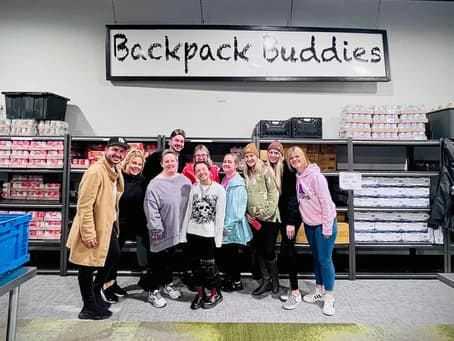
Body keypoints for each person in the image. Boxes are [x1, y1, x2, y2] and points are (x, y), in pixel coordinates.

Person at [66, 137, 128, 320]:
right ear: (106, 150)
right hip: (93, 227)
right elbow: (84, 206)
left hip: (108, 227)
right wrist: (88, 233)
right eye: (115, 150)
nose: (118, 154)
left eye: (121, 151)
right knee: (86, 266)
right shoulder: (95, 172)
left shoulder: (115, 170)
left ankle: (95, 292)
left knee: (113, 255)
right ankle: (88, 306)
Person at [287, 146, 337, 316]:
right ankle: (319, 290)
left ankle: (329, 297)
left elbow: (326, 203)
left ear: (305, 157)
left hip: (324, 224)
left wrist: (327, 228)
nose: (294, 159)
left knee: (325, 260)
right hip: (310, 225)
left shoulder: (317, 177)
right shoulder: (298, 176)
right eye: (291, 158)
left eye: (297, 156)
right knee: (316, 258)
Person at [143, 149, 191, 308]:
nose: (171, 163)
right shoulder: (154, 184)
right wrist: (156, 228)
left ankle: (166, 284)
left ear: (178, 163)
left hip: (177, 230)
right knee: (157, 261)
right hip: (161, 231)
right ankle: (152, 291)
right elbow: (151, 208)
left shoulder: (184, 180)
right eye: (167, 161)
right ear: (162, 163)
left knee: (169, 261)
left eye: (173, 161)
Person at [101, 149, 148, 302]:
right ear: (127, 162)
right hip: (117, 224)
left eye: (139, 164)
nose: (136, 166)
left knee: (119, 257)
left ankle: (113, 283)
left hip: (135, 224)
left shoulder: (142, 180)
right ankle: (105, 286)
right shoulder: (117, 178)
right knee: (112, 256)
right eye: (134, 163)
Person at [182, 161, 226, 309]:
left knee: (209, 268)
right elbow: (188, 212)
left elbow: (220, 216)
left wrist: (218, 240)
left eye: (203, 169)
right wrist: (184, 233)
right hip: (192, 233)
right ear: (195, 174)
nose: (201, 172)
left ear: (210, 170)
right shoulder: (194, 189)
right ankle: (200, 294)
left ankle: (215, 293)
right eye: (198, 170)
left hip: (209, 235)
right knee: (195, 268)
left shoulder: (219, 190)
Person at [266, 141, 303, 310]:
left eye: (276, 152)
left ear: (281, 154)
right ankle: (292, 288)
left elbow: (292, 197)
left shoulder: (286, 170)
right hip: (282, 216)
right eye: (271, 152)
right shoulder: (270, 169)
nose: (273, 155)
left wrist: (290, 222)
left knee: (289, 251)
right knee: (285, 251)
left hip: (291, 217)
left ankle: (295, 292)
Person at [242, 143, 280, 296]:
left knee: (269, 250)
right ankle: (266, 281)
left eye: (252, 155)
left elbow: (274, 193)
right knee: (258, 250)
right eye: (246, 156)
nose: (249, 158)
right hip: (254, 219)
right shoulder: (246, 173)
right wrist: (247, 213)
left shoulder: (266, 170)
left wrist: (267, 213)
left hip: (269, 219)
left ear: (256, 156)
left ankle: (275, 281)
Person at [220, 153, 252, 292]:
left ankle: (236, 281)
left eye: (230, 162)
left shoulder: (238, 184)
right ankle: (230, 278)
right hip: (225, 224)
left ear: (236, 165)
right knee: (227, 255)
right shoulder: (225, 179)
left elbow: (238, 211)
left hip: (233, 226)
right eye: (225, 161)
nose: (226, 164)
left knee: (232, 255)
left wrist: (227, 226)